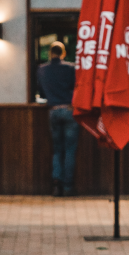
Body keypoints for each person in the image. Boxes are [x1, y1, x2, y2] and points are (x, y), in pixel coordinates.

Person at [37, 41, 78, 196]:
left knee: (57, 150)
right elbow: (78, 88)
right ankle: (67, 187)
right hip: (69, 110)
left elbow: (41, 93)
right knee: (69, 150)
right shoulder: (71, 68)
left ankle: (56, 184)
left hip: (53, 110)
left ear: (49, 53)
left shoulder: (42, 69)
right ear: (63, 53)